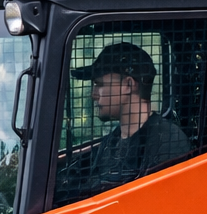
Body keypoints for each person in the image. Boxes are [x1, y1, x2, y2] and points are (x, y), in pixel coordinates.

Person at [71, 41, 191, 192]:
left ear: (128, 85)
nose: (93, 95)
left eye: (99, 84)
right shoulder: (110, 142)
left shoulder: (167, 142)